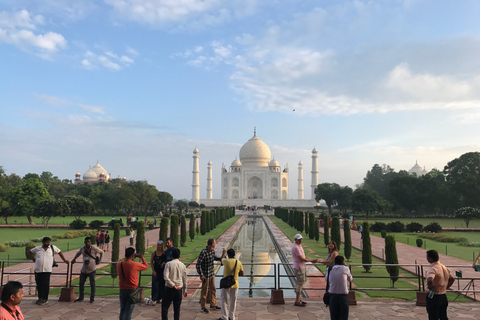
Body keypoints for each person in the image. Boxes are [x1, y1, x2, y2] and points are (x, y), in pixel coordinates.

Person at [27, 237, 69, 305]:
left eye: (49, 242)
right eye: (46, 242)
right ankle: (40, 298)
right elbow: (29, 252)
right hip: (38, 269)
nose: (48, 243)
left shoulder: (52, 248)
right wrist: (33, 259)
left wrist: (64, 260)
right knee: (39, 285)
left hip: (47, 269)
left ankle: (45, 298)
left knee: (46, 284)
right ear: (43, 242)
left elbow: (60, 252)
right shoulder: (38, 248)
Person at [117, 247, 148, 320]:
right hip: (132, 290)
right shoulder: (135, 264)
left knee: (122, 309)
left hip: (122, 288)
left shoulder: (119, 264)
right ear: (132, 256)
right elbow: (146, 266)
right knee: (128, 311)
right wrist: (142, 258)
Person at [196, 238, 225, 313]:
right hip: (205, 275)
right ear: (212, 244)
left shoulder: (212, 251)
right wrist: (201, 275)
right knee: (204, 291)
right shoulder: (203, 252)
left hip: (211, 274)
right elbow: (198, 264)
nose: (215, 244)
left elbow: (215, 258)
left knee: (213, 289)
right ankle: (203, 307)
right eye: (215, 243)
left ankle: (213, 304)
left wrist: (222, 257)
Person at [71, 237, 104, 303]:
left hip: (92, 269)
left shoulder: (94, 248)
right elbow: (78, 253)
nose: (87, 243)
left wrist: (99, 260)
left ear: (91, 242)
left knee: (92, 284)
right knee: (81, 283)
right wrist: (74, 259)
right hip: (84, 269)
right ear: (84, 242)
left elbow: (102, 252)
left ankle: (92, 298)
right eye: (86, 242)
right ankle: (81, 297)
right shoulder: (82, 248)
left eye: (88, 241)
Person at [425, 250, 454, 320]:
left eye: (427, 257)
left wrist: (430, 287)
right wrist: (446, 287)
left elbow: (429, 279)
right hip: (443, 296)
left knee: (433, 317)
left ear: (430, 258)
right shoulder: (444, 267)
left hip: (434, 296)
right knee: (443, 316)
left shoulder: (433, 268)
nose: (427, 259)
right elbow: (452, 279)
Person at [162, 248, 187, 320]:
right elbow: (185, 278)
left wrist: (173, 285)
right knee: (177, 310)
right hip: (178, 289)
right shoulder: (182, 265)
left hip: (169, 289)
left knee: (165, 308)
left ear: (172, 255)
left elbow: (165, 277)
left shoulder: (168, 264)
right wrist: (185, 290)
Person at [220, 248, 244, 320]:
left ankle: (224, 317)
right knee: (233, 301)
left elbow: (221, 261)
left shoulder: (226, 261)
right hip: (235, 283)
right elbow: (241, 274)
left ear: (228, 255)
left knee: (224, 300)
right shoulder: (238, 262)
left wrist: (223, 253)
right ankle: (232, 317)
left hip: (226, 284)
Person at [291, 234, 314, 307]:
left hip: (301, 266)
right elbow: (302, 258)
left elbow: (303, 256)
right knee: (300, 284)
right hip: (299, 267)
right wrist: (311, 260)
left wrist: (309, 259)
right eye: (299, 239)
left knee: (300, 284)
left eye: (301, 239)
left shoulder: (298, 245)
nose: (301, 240)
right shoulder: (296, 247)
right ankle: (297, 301)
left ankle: (298, 299)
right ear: (295, 239)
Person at [326, 255, 353, 320]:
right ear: (343, 262)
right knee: (343, 317)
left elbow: (327, 279)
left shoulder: (329, 269)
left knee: (334, 317)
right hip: (343, 296)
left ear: (335, 262)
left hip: (333, 296)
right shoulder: (345, 269)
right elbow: (350, 279)